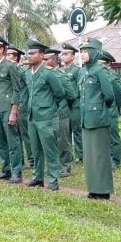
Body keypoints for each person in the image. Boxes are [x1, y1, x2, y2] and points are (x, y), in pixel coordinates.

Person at [78, 38, 115, 199]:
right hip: (86, 119)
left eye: (86, 51)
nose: (83, 54)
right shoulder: (83, 71)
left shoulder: (100, 70)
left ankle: (103, 190)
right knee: (90, 156)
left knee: (100, 156)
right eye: (81, 51)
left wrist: (99, 109)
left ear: (94, 52)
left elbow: (109, 95)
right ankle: (93, 188)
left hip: (98, 119)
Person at [25, 39, 65, 190]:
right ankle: (37, 178)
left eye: (33, 53)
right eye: (28, 53)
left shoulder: (49, 73)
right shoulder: (29, 74)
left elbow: (60, 93)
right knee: (35, 149)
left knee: (50, 149)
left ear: (42, 55)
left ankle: (53, 179)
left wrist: (50, 109)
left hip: (46, 117)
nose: (29, 56)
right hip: (32, 116)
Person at [0, 35, 22, 182]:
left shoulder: (10, 66)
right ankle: (5, 169)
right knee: (0, 141)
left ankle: (16, 172)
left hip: (7, 108)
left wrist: (14, 111)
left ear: (1, 49)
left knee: (12, 141)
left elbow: (17, 90)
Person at [45, 48, 75, 177]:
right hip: (48, 113)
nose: (44, 61)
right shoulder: (44, 74)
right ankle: (53, 166)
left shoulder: (61, 75)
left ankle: (65, 166)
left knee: (63, 141)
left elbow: (71, 95)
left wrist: (63, 107)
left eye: (47, 59)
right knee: (50, 141)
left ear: (55, 60)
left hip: (62, 112)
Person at [7, 46, 32, 168]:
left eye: (9, 55)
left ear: (16, 57)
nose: (7, 57)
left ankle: (31, 159)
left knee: (26, 135)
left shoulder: (21, 71)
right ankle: (20, 160)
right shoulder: (9, 69)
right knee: (16, 135)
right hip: (13, 106)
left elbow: (28, 88)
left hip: (23, 106)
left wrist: (25, 104)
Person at [98, 51, 121, 170]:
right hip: (100, 111)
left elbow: (119, 95)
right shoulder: (98, 74)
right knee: (103, 137)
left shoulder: (112, 76)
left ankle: (115, 160)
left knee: (113, 137)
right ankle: (106, 158)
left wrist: (115, 108)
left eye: (101, 63)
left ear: (108, 64)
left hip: (111, 110)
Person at [62, 42, 83, 164]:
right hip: (65, 105)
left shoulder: (76, 70)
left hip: (75, 104)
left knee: (77, 130)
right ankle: (68, 156)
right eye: (62, 54)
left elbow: (79, 88)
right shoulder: (61, 70)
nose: (63, 56)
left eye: (66, 54)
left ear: (73, 56)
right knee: (66, 132)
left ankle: (80, 155)